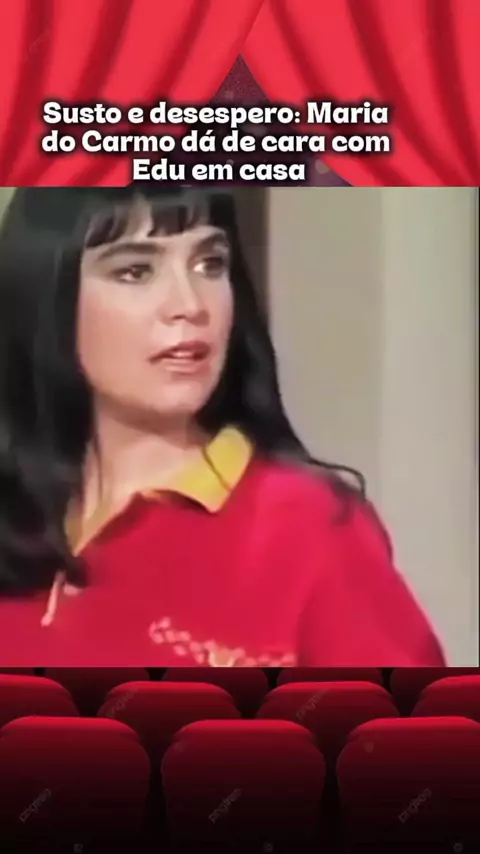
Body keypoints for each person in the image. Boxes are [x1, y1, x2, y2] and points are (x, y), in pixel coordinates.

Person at [0, 187, 445, 667]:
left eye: (210, 264)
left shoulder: (310, 529)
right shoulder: (17, 510)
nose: (191, 304)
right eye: (136, 271)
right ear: (43, 294)